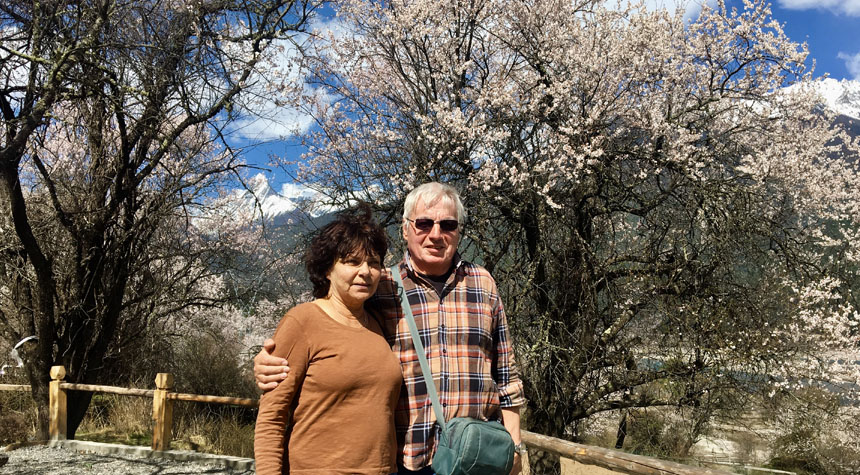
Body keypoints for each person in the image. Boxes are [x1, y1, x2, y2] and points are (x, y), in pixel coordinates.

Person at [255, 183, 526, 475]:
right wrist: (265, 363)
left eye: (447, 224)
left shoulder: (483, 283)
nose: (436, 234)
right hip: (408, 460)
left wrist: (514, 447)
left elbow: (507, 377)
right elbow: (325, 326)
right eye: (423, 223)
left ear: (458, 231)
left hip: (475, 459)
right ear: (406, 229)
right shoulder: (381, 286)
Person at [254, 204, 402, 475]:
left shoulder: (377, 326)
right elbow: (271, 419)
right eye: (352, 262)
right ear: (327, 270)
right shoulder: (303, 322)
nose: (365, 272)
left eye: (374, 263)